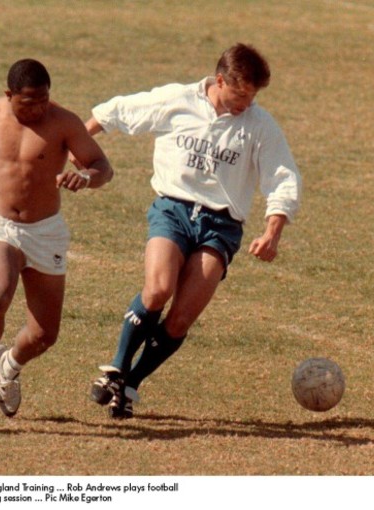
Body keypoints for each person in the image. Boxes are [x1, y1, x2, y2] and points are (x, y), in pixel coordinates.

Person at [77, 43, 301, 419]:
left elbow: (283, 177)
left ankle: (130, 384)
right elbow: (120, 110)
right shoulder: (177, 100)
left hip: (221, 227)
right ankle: (115, 368)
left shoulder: (259, 126)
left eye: (254, 96)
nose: (247, 103)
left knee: (181, 318)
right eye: (241, 93)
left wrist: (273, 230)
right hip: (173, 210)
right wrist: (79, 141)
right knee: (158, 289)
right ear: (219, 80)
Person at [0, 58, 113, 418]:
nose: (38, 108)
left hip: (45, 230)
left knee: (44, 335)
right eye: (28, 102)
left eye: (43, 100)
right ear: (9, 95)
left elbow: (103, 167)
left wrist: (86, 177)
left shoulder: (64, 122)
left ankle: (7, 365)